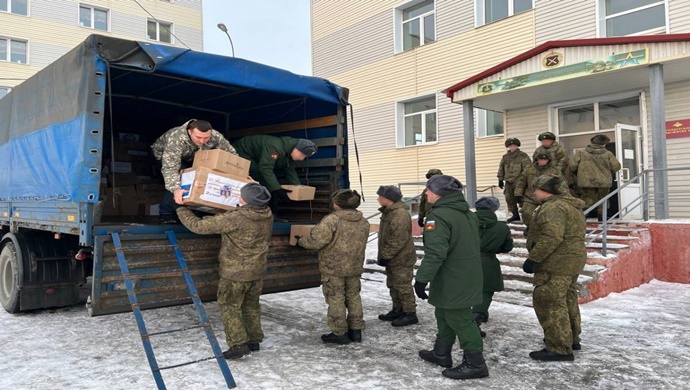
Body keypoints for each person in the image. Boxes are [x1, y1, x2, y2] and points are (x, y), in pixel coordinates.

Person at [175, 182, 273, 359]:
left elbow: (198, 226)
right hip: (256, 271)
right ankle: (253, 340)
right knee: (251, 305)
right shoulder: (267, 214)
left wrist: (180, 208)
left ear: (245, 199)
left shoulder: (236, 218)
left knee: (230, 306)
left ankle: (238, 345)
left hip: (235, 272)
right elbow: (235, 215)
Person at [415, 175, 488, 380]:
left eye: (428, 190)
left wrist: (421, 279)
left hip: (453, 277)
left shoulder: (438, 216)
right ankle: (441, 353)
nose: (426, 193)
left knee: (461, 319)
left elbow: (436, 253)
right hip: (463, 274)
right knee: (445, 314)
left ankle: (476, 364)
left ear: (438, 194)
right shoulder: (467, 213)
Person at [521, 174, 586, 362]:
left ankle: (559, 347)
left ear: (548, 191)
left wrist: (534, 259)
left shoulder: (553, 208)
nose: (534, 192)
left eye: (537, 189)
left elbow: (552, 237)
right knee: (567, 299)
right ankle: (571, 339)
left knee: (549, 301)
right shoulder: (571, 206)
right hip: (571, 261)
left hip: (557, 262)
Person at [296, 189, 369, 344]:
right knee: (354, 297)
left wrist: (301, 241)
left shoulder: (332, 220)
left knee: (335, 298)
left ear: (337, 203)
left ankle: (339, 332)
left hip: (333, 268)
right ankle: (356, 331)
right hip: (354, 267)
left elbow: (317, 241)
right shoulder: (363, 221)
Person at [151, 119, 237, 224]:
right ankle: (166, 213)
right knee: (181, 179)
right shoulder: (176, 138)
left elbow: (231, 156)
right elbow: (171, 168)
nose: (202, 141)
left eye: (206, 138)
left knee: (204, 175)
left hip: (192, 156)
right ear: (189, 132)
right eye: (198, 137)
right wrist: (175, 189)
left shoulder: (215, 136)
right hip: (164, 155)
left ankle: (197, 208)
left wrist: (241, 174)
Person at [233, 135, 317, 217]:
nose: (302, 159)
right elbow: (265, 168)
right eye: (302, 155)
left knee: (271, 182)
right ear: (296, 149)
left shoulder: (289, 153)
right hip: (242, 152)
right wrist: (277, 189)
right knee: (262, 178)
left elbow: (290, 171)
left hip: (256, 157)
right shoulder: (275, 148)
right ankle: (260, 212)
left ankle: (269, 211)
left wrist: (298, 189)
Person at [376, 185, 418, 327]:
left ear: (388, 199)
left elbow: (398, 238)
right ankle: (398, 309)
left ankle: (410, 313)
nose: (378, 199)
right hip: (393, 257)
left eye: (380, 196)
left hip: (401, 258)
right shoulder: (389, 212)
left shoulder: (399, 214)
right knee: (393, 285)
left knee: (403, 286)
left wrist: (386, 255)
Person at [472, 196, 513, 338]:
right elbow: (507, 247)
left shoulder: (465, 222)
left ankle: (470, 317)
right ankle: (478, 315)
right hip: (488, 261)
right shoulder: (502, 227)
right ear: (494, 209)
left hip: (464, 260)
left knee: (464, 290)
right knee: (486, 290)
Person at [568, 134, 622, 221]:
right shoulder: (608, 154)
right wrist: (607, 172)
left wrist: (579, 173)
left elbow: (572, 165)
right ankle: (602, 217)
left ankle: (583, 217)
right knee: (603, 199)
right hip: (604, 182)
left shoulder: (582, 153)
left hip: (586, 182)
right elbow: (616, 166)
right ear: (604, 144)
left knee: (586, 199)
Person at [515, 153, 564, 233]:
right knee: (526, 212)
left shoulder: (555, 170)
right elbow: (521, 183)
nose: (542, 161)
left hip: (547, 197)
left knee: (549, 213)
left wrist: (562, 195)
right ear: (537, 160)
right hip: (531, 196)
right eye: (540, 160)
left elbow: (561, 184)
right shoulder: (529, 169)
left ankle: (547, 229)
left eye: (545, 160)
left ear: (548, 160)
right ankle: (531, 228)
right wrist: (518, 194)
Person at [497, 138, 531, 223]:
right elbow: (501, 168)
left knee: (520, 197)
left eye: (514, 145)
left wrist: (526, 180)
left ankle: (526, 215)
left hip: (519, 180)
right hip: (508, 181)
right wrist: (500, 179)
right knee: (509, 198)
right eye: (510, 146)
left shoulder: (523, 156)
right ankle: (515, 214)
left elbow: (528, 169)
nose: (512, 147)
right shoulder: (505, 157)